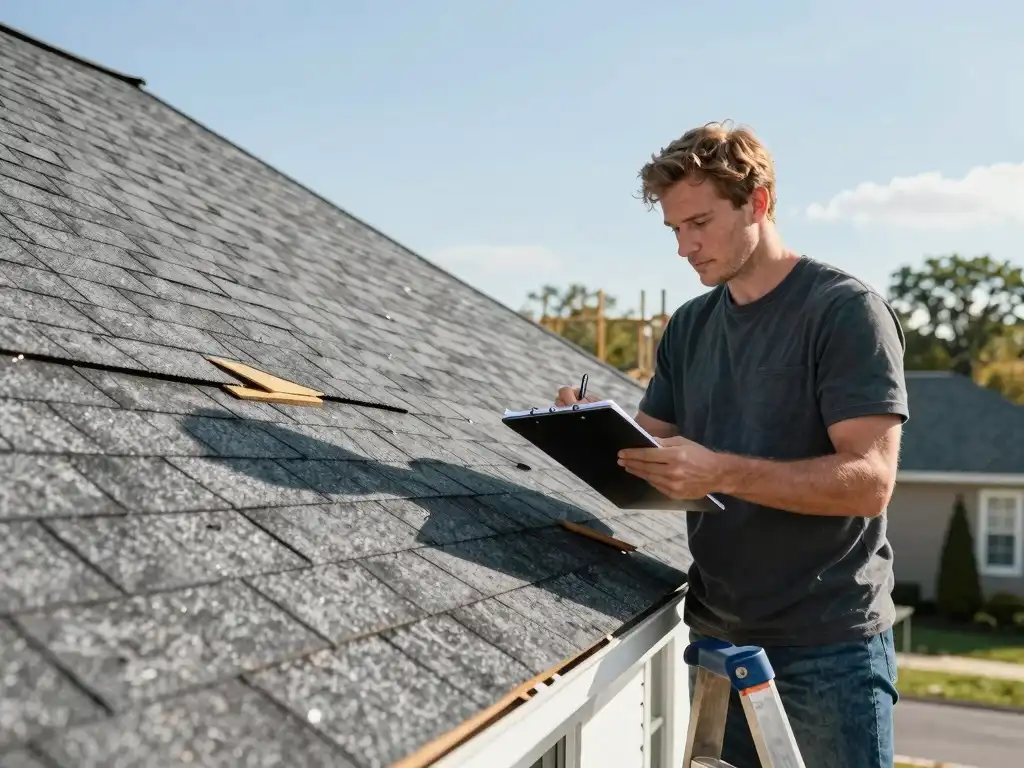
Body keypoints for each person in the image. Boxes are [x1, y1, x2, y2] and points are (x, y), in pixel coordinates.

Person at [555, 121, 907, 768]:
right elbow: (649, 449)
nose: (685, 247)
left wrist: (720, 471)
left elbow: (870, 483)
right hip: (717, 635)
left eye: (700, 223)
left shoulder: (844, 311)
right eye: (674, 229)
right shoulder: (689, 326)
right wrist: (588, 427)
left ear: (758, 203)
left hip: (828, 646)